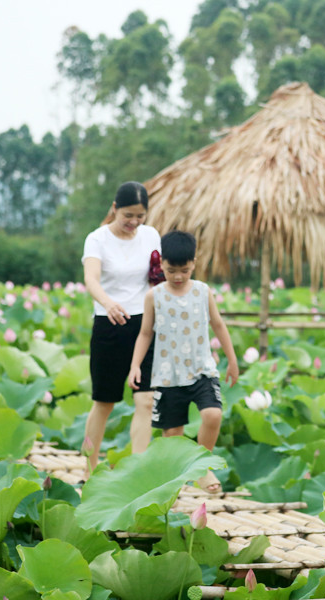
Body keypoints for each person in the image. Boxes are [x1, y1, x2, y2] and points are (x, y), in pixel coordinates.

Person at [128, 230, 239, 494]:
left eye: (185, 270)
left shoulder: (203, 291)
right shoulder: (154, 296)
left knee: (213, 415)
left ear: (194, 264)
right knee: (172, 434)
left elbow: (219, 325)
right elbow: (145, 334)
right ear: (162, 265)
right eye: (171, 270)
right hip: (168, 375)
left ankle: (201, 466)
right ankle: (174, 486)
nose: (178, 277)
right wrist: (135, 365)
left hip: (202, 369)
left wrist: (232, 361)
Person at [81, 181, 161, 474]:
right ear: (114, 209)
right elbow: (91, 279)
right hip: (109, 324)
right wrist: (108, 303)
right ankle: (89, 470)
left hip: (146, 325)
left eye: (140, 216)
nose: (134, 222)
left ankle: (137, 471)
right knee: (104, 402)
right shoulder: (97, 239)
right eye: (128, 215)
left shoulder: (151, 235)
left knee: (146, 399)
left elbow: (158, 276)